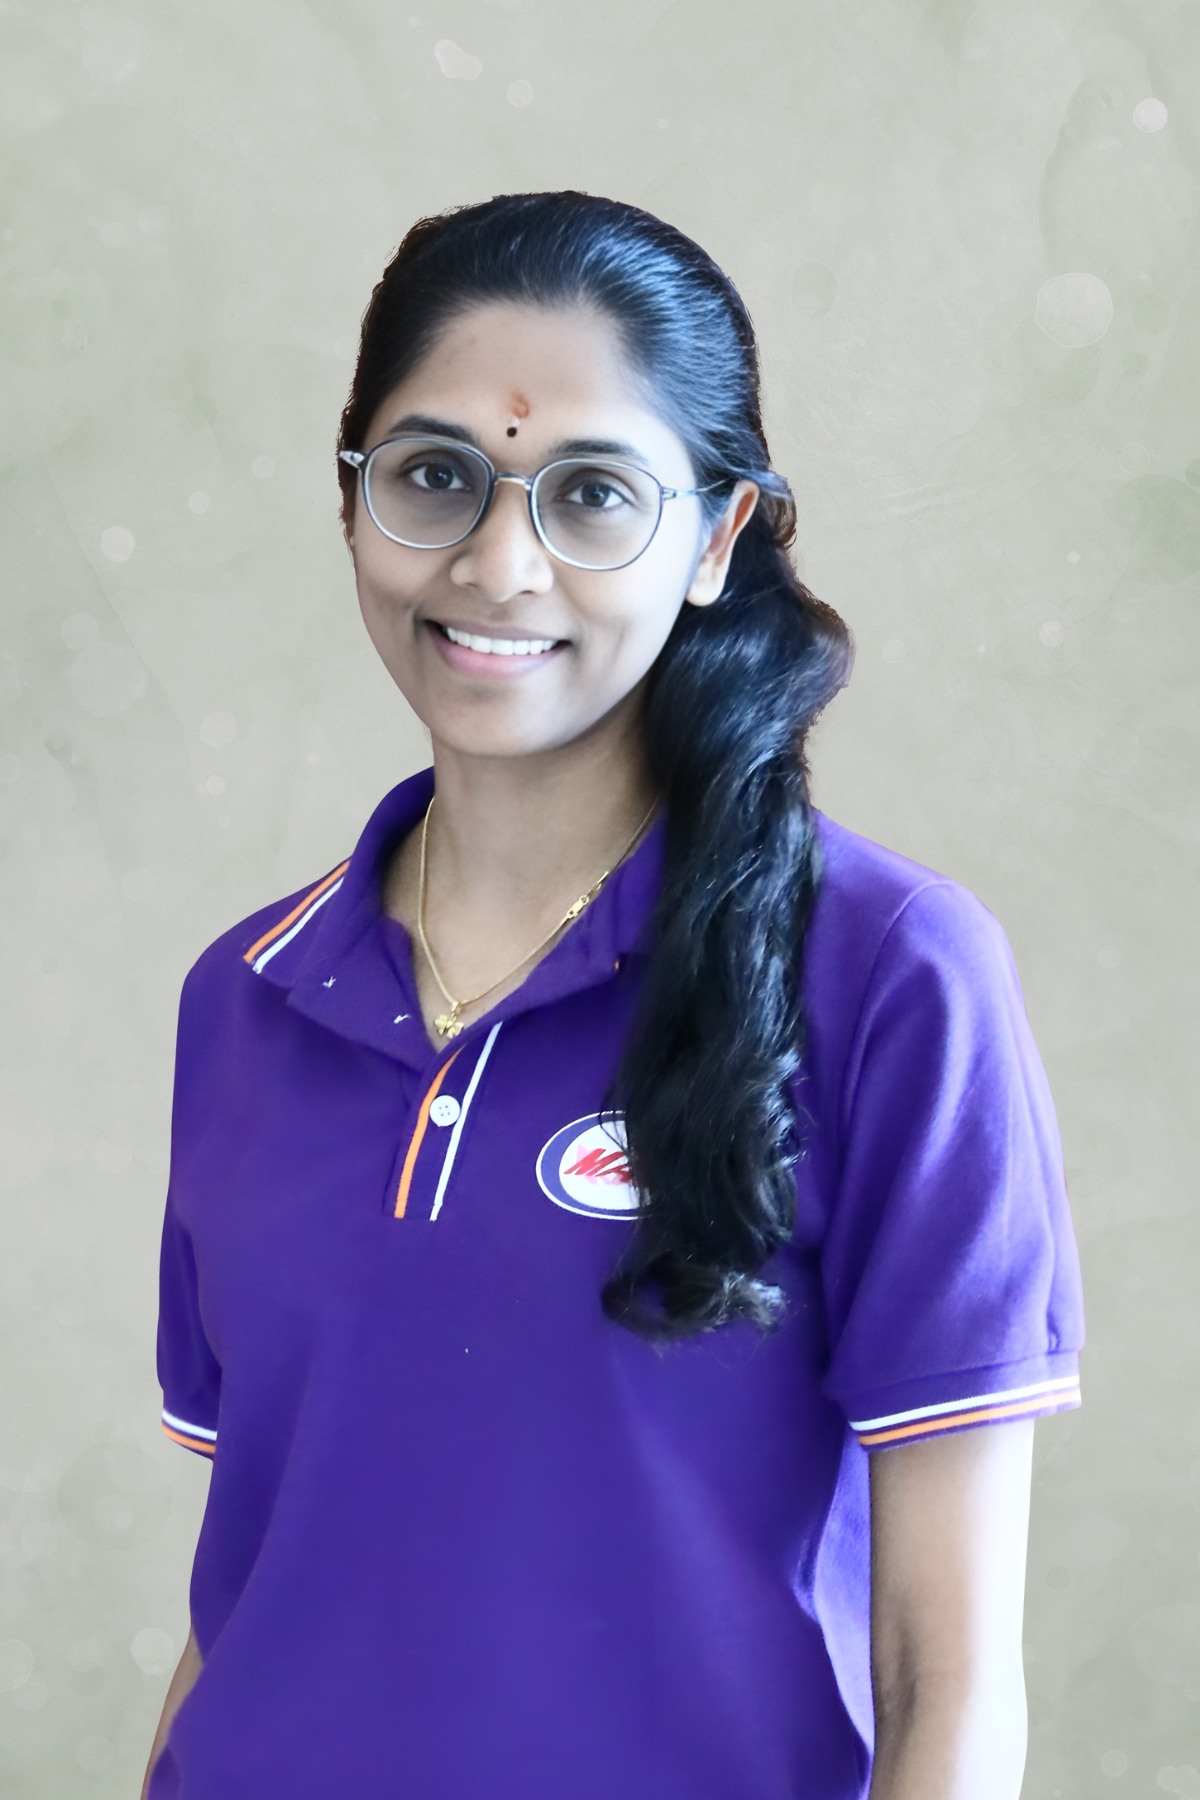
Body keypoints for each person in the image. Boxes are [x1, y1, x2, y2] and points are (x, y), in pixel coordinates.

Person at [141, 191, 1083, 1800]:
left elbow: (948, 1684)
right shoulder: (248, 995)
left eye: (593, 495)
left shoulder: (888, 974)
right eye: (433, 475)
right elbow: (252, 1602)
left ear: (718, 539)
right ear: (352, 499)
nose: (497, 564)